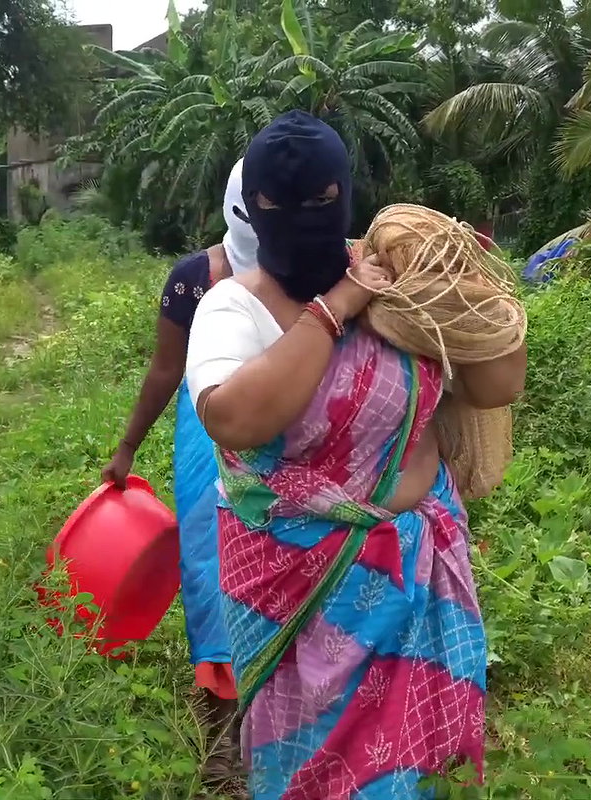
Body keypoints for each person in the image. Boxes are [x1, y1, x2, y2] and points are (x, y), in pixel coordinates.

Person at [185, 111, 526, 799]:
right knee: (306, 772)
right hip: (294, 588)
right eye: (278, 208)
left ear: (347, 192)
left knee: (400, 774)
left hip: (407, 579)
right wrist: (339, 303)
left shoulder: (397, 286)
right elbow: (234, 418)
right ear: (251, 208)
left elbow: (498, 383)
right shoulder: (233, 306)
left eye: (321, 203)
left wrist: (458, 285)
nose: (302, 221)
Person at [102, 159, 259, 792]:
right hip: (208, 436)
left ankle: (272, 723)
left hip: (288, 442)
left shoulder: (324, 271)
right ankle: (222, 738)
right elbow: (167, 370)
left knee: (276, 569)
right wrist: (127, 447)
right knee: (209, 572)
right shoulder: (193, 280)